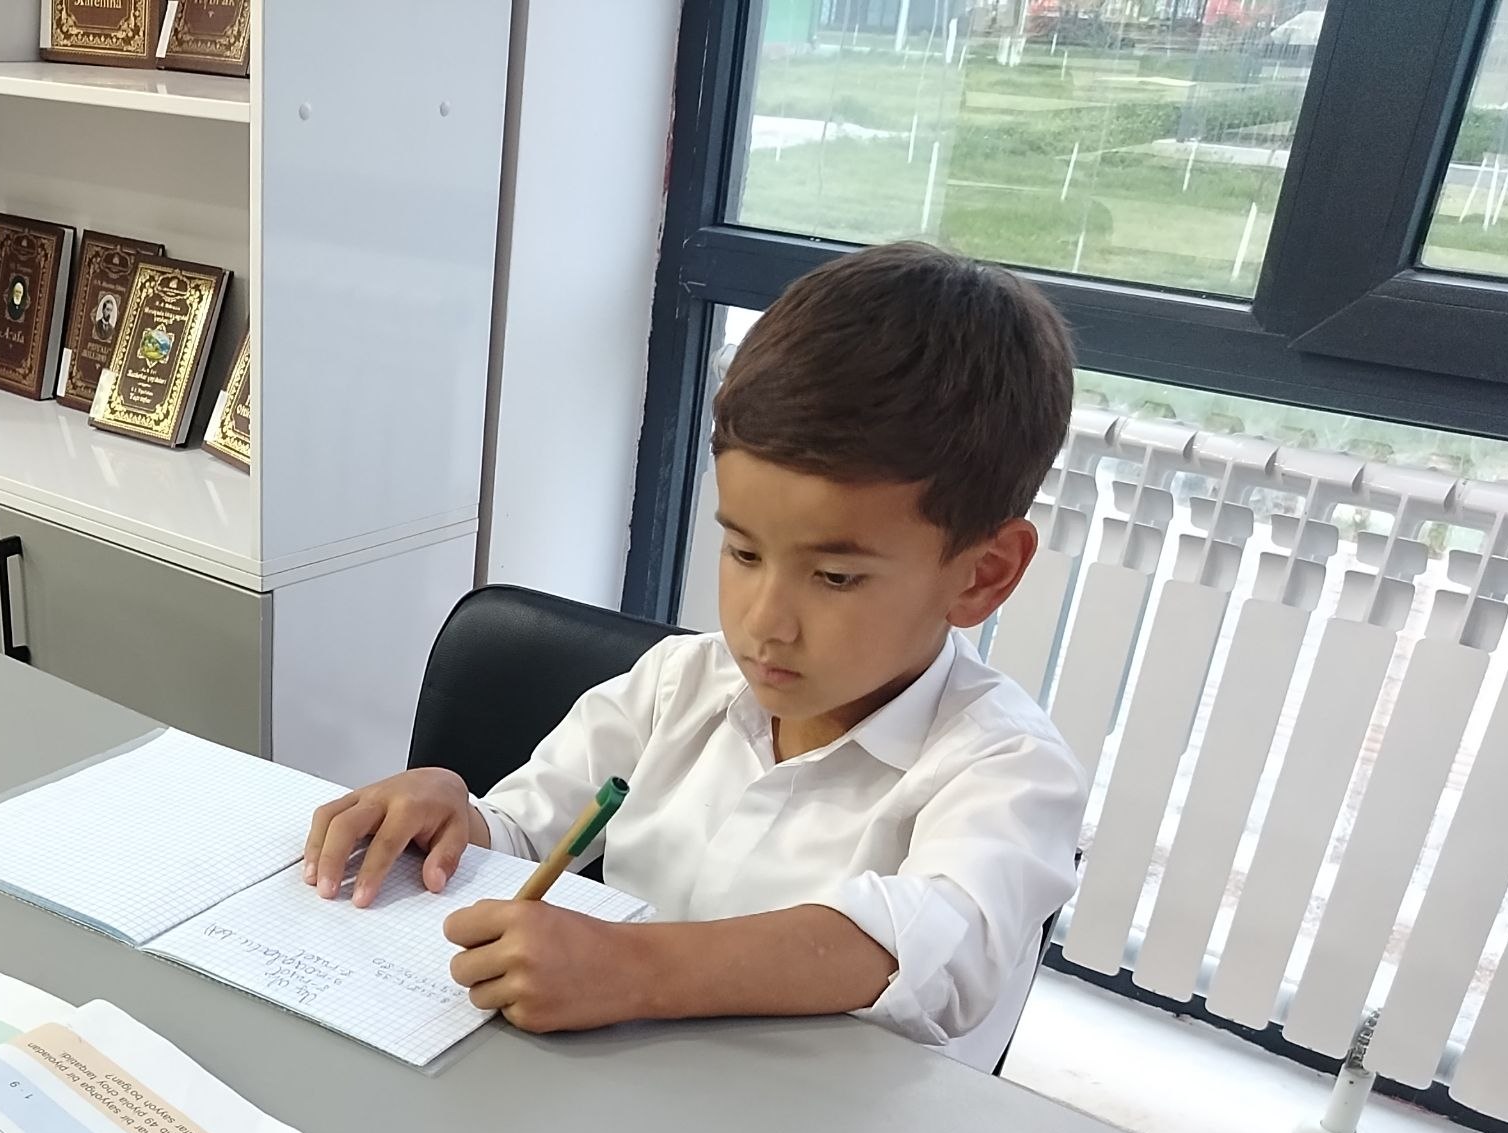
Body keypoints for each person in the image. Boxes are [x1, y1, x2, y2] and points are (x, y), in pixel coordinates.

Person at [301, 241, 1089, 1069]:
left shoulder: (1010, 770)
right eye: (743, 552)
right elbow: (527, 831)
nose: (765, 623)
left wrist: (633, 968)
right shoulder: (679, 684)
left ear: (983, 575)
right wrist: (456, 818)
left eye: (834, 576)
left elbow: (932, 953)